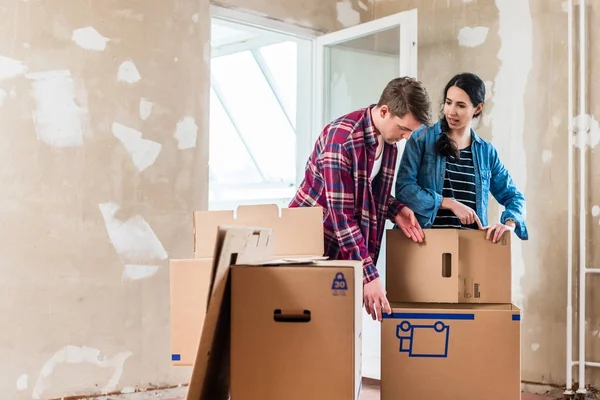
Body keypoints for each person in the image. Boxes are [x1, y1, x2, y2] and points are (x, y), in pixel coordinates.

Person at [289, 77, 432, 322]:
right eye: (404, 129)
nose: (406, 137)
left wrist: (395, 209)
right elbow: (341, 217)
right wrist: (369, 274)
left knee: (338, 335)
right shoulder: (342, 141)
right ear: (385, 111)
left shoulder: (388, 144)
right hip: (310, 247)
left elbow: (369, 194)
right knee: (309, 332)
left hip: (342, 250)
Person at [395, 72, 528, 243]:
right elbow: (404, 189)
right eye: (449, 103)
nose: (451, 111)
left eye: (461, 105)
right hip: (424, 244)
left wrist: (509, 225)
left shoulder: (486, 152)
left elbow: (514, 197)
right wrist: (448, 203)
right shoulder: (421, 138)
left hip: (470, 249)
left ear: (477, 108)